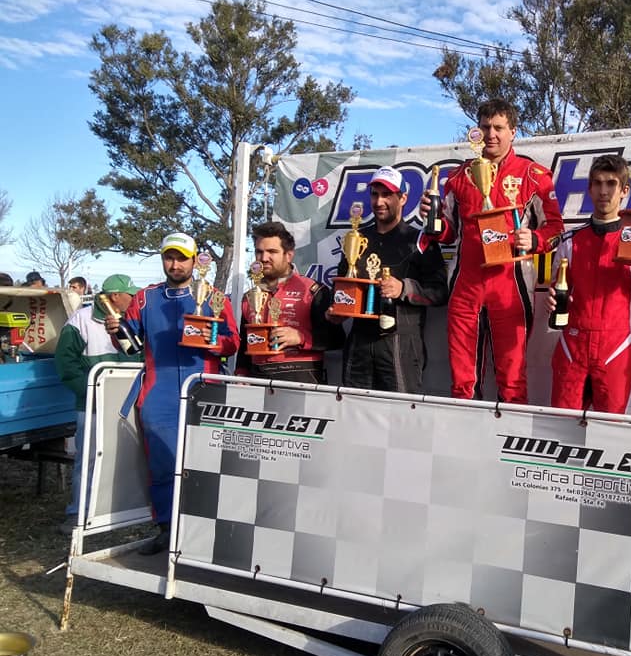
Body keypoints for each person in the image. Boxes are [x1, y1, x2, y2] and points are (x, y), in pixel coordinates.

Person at [419, 98, 564, 403]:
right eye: (485, 127)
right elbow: (448, 233)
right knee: (462, 383)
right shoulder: (459, 177)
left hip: (511, 287)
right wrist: (433, 222)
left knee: (512, 382)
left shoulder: (533, 175)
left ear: (513, 131)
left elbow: (555, 229)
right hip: (466, 285)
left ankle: (509, 432)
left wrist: (534, 240)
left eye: (498, 127)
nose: (491, 134)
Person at [106, 233, 239, 555]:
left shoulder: (213, 296)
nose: (175, 264)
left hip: (204, 390)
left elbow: (233, 342)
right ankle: (166, 529)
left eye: (181, 258)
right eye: (169, 257)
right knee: (163, 464)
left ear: (194, 261)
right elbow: (129, 345)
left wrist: (211, 341)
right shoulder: (145, 298)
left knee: (207, 463)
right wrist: (115, 331)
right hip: (159, 392)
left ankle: (209, 530)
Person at [547, 154, 631, 413]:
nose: (603, 191)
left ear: (625, 191)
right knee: (560, 428)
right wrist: (554, 300)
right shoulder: (570, 241)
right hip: (571, 347)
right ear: (589, 189)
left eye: (611, 184)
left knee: (615, 430)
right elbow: (558, 298)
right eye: (597, 183)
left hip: (617, 349)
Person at [326, 166, 448, 392]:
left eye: (387, 195)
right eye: (375, 194)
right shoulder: (356, 239)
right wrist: (338, 311)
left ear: (403, 198)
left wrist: (404, 288)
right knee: (355, 407)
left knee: (398, 410)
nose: (379, 201)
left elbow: (440, 293)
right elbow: (344, 287)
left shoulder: (419, 240)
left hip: (401, 343)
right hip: (359, 342)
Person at [54, 274, 141, 535]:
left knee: (124, 456)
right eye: (130, 295)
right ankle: (78, 513)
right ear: (115, 296)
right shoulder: (81, 320)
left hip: (127, 404)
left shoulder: (134, 320)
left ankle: (115, 511)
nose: (134, 298)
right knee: (88, 459)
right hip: (91, 405)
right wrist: (91, 391)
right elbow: (66, 364)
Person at [236, 221, 343, 384]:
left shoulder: (312, 291)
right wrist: (241, 373)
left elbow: (337, 339)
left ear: (289, 255)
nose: (264, 258)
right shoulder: (249, 297)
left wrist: (301, 338)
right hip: (256, 377)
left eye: (272, 252)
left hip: (300, 375)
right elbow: (245, 341)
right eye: (259, 252)